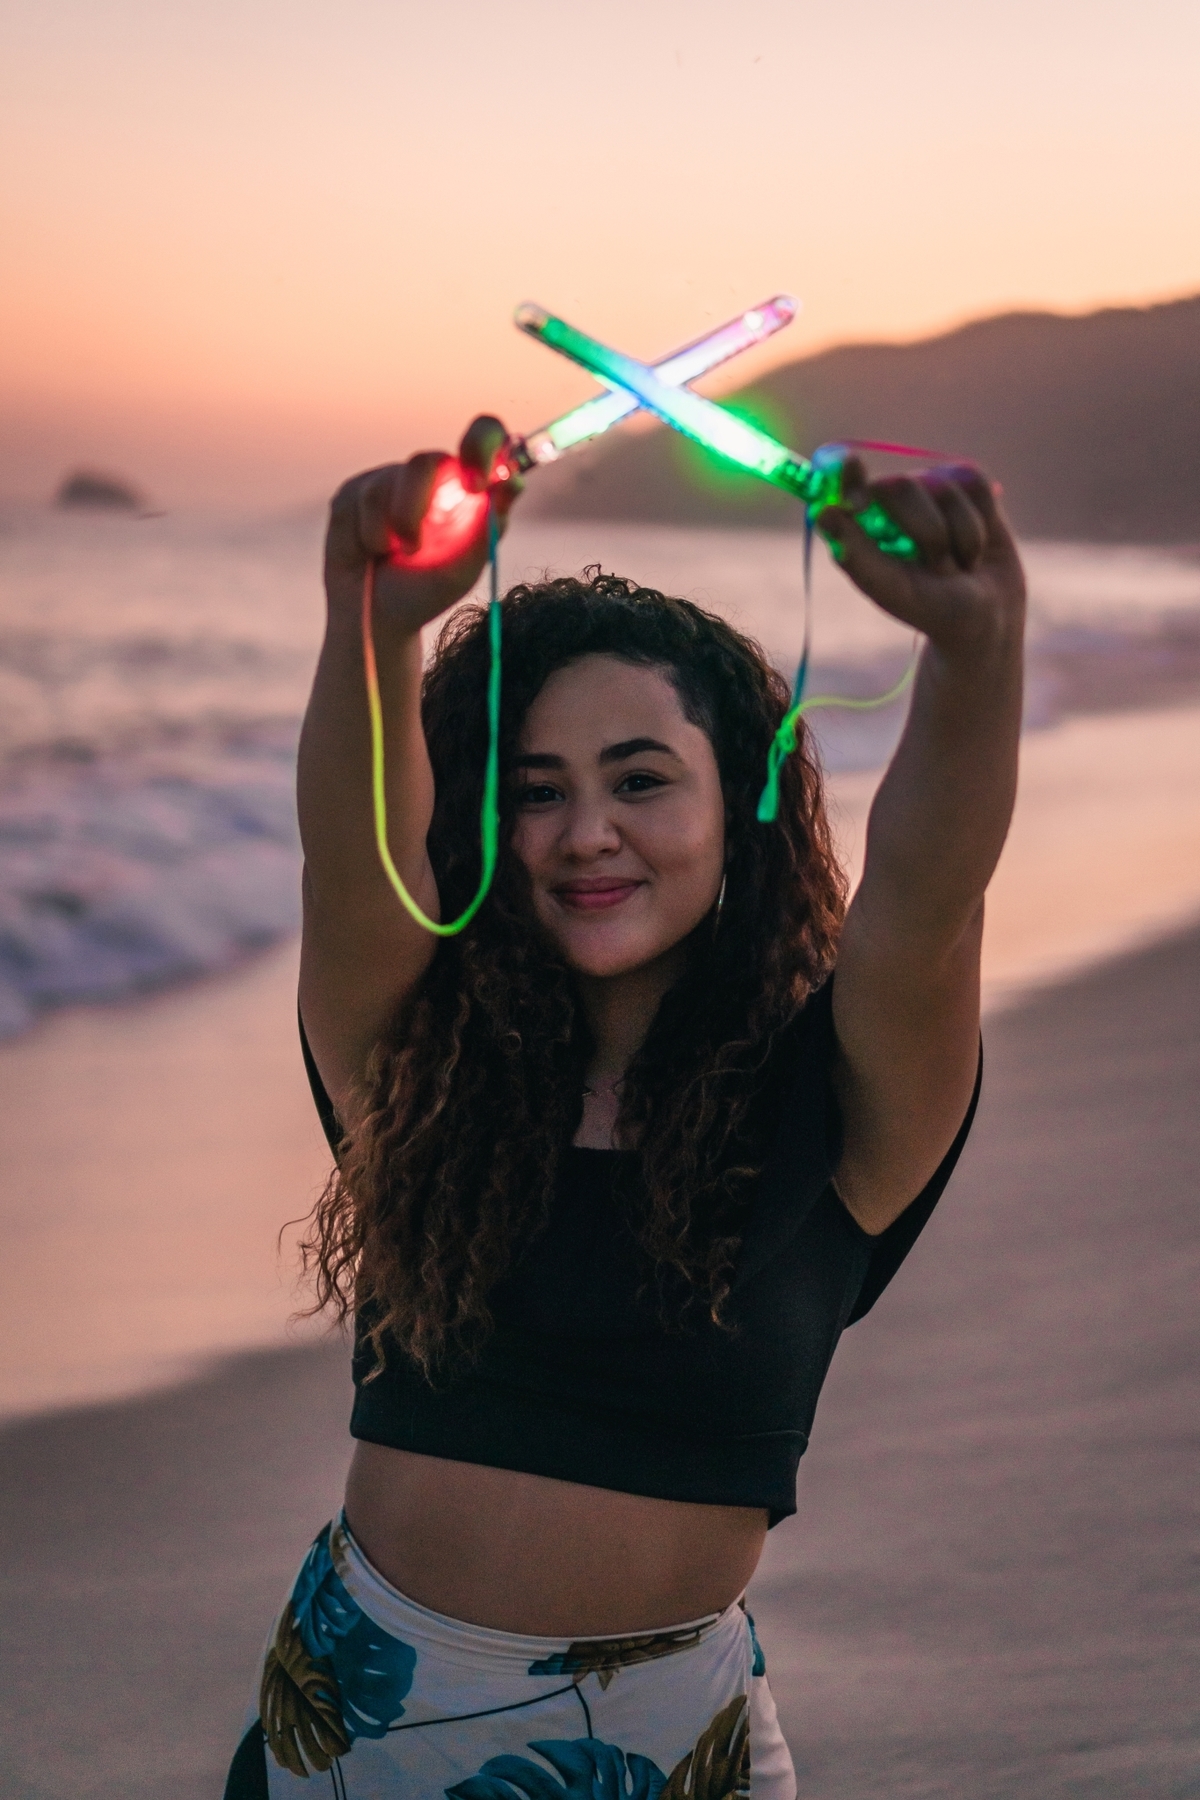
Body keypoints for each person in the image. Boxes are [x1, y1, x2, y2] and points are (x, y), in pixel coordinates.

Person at [224, 416, 1025, 1797]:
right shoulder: (417, 1074)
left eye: (640, 780)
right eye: (536, 794)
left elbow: (931, 895)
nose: (588, 833)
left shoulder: (843, 1105)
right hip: (355, 1730)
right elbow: (350, 854)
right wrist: (373, 622)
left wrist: (975, 648)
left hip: (664, 1751)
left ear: (739, 809)